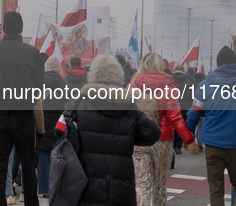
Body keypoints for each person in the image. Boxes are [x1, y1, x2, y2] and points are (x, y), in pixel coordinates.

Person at [56, 55, 162, 205]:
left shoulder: (80, 101)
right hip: (121, 184)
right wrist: (130, 137)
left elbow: (59, 129)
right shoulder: (129, 105)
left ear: (93, 75)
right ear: (118, 76)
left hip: (86, 182)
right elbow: (153, 133)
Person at [187, 46, 236, 206]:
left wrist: (188, 138)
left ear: (218, 64)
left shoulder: (205, 84)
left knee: (216, 189)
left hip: (213, 144)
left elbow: (193, 113)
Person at [0, 12, 44, 206]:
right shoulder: (32, 53)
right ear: (21, 28)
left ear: (4, 28)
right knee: (27, 163)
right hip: (24, 114)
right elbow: (39, 86)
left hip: (0, 114)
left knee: (0, 165)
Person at [128, 53, 199, 206]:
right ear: (161, 66)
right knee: (160, 184)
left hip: (138, 139)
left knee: (142, 184)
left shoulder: (133, 84)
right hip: (162, 138)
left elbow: (124, 112)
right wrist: (189, 140)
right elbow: (175, 117)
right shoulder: (168, 85)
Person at [35, 55, 67, 199]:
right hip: (58, 125)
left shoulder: (39, 83)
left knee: (43, 157)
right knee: (58, 157)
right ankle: (56, 187)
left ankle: (44, 188)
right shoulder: (64, 84)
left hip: (42, 124)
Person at [171, 65, 193, 155]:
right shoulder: (189, 82)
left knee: (173, 126)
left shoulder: (171, 81)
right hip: (185, 107)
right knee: (181, 126)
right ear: (183, 71)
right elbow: (192, 97)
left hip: (173, 106)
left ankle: (172, 145)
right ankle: (177, 147)